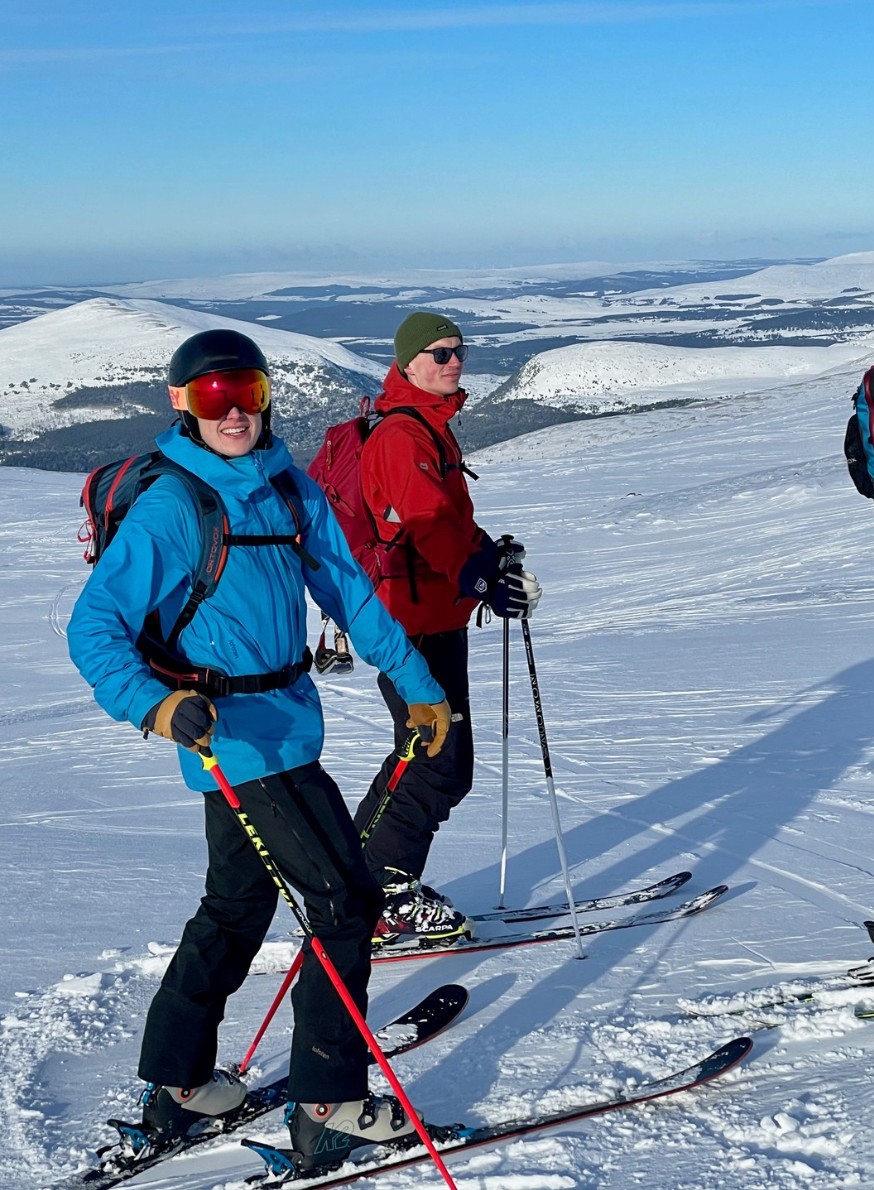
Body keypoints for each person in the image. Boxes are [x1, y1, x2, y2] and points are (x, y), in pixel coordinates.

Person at [67, 329, 451, 1173]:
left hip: (287, 721)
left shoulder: (286, 486)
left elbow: (348, 590)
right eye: (211, 396)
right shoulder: (176, 505)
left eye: (245, 389)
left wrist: (419, 685)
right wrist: (154, 705)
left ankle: (179, 1082)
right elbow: (94, 628)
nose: (233, 409)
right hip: (234, 738)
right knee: (345, 905)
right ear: (181, 404)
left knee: (236, 909)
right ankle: (329, 1104)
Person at [350, 311, 541, 942]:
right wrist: (483, 579)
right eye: (437, 353)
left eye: (459, 349)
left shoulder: (428, 426)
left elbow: (447, 520)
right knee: (436, 759)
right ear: (407, 362)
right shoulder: (402, 436)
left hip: (431, 617)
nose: (452, 360)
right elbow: (429, 528)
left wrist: (488, 556)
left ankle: (357, 883)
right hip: (411, 626)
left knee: (427, 754)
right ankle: (378, 895)